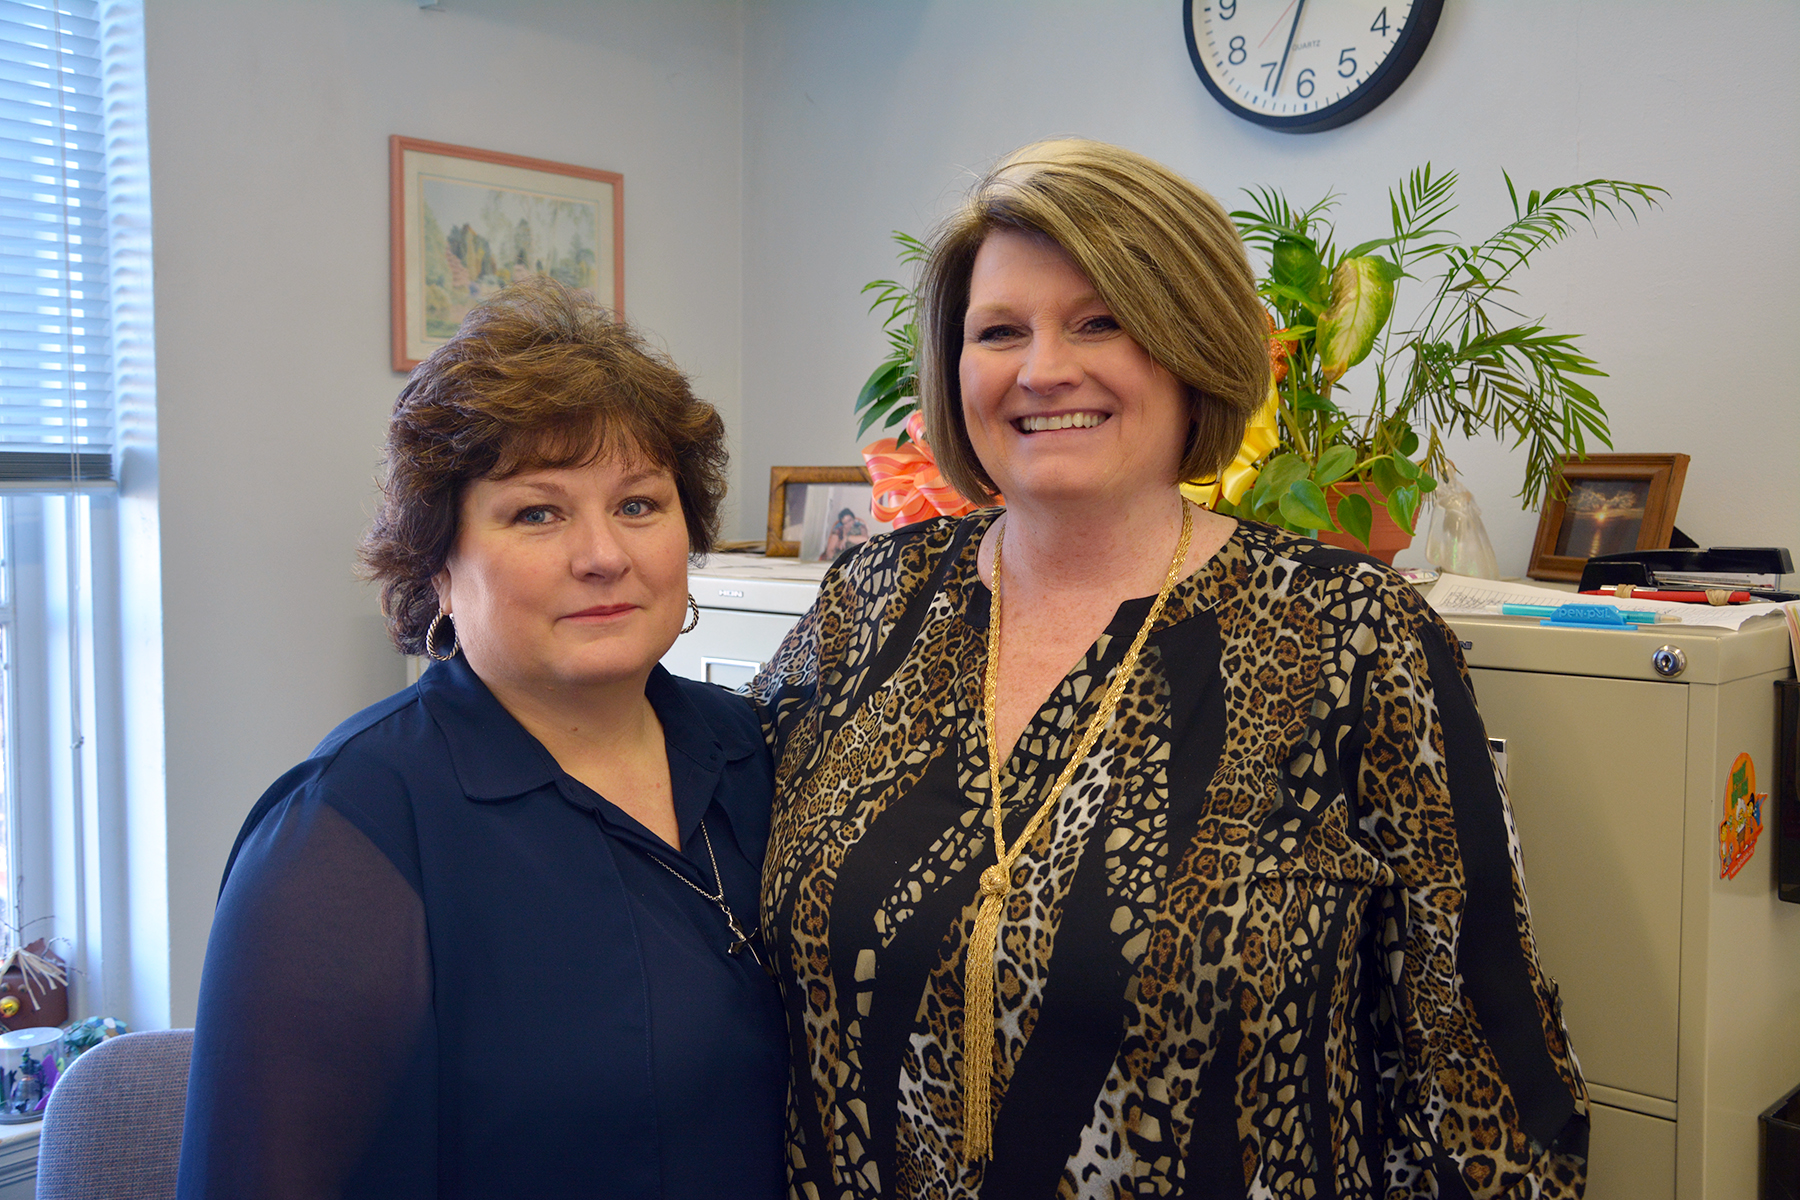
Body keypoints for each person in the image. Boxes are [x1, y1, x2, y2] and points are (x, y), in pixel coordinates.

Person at [749, 140, 1588, 1199]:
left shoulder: (1356, 637)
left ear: (1192, 343)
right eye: (998, 331)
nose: (1042, 368)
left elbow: (1477, 1053)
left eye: (1101, 320)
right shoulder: (865, 607)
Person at [177, 277, 786, 1199]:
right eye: (536, 512)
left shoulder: (753, 751)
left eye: (638, 505)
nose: (603, 555)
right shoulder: (344, 838)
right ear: (440, 568)